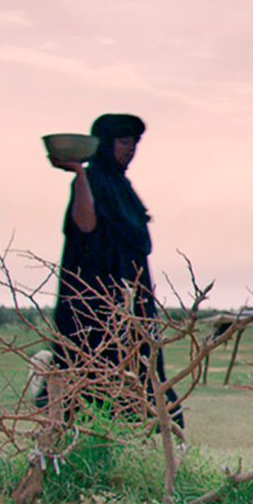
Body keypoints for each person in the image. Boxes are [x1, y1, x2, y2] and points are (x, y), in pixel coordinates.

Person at [46, 112, 183, 430]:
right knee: (91, 376)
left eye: (134, 142)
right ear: (105, 144)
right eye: (123, 141)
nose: (130, 148)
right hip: (95, 306)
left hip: (132, 304)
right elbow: (86, 225)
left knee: (141, 374)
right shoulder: (93, 180)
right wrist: (79, 173)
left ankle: (144, 447)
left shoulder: (122, 185)